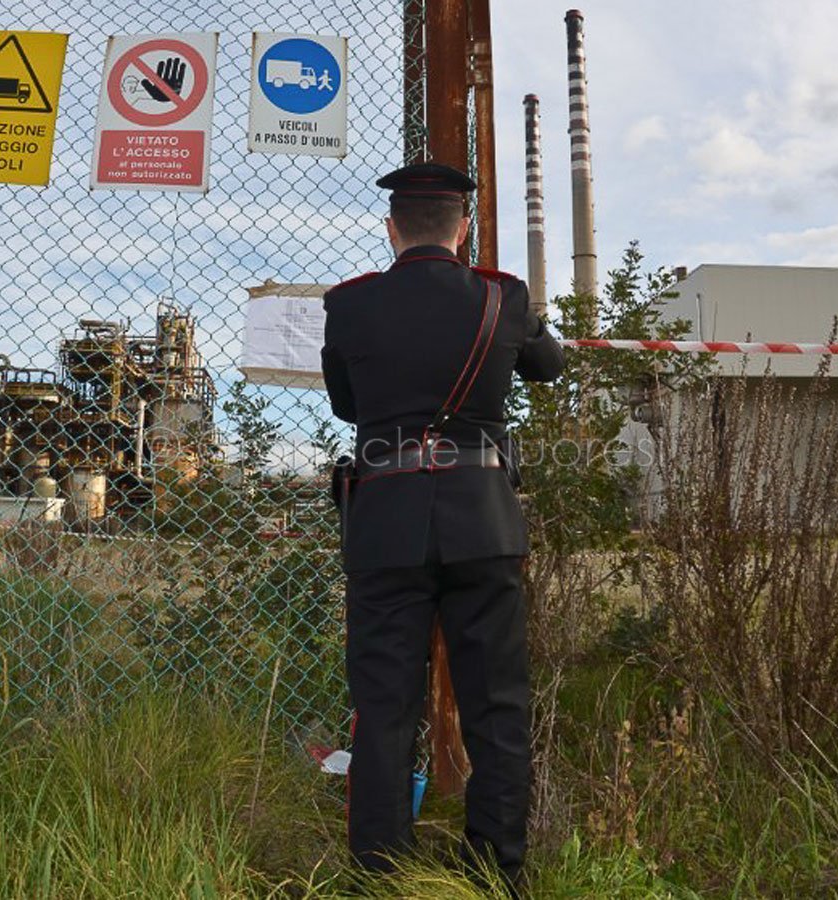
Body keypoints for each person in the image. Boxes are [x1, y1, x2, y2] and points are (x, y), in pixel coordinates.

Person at [320, 162, 565, 895]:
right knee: (497, 705)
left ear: (391, 228)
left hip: (385, 522)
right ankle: (495, 873)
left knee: (385, 708)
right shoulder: (502, 296)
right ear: (463, 230)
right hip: (483, 523)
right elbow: (548, 366)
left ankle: (382, 875)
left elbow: (345, 405)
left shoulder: (349, 303)